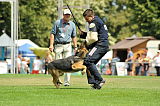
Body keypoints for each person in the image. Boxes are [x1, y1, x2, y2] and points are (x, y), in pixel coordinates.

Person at [80, 9, 109, 89]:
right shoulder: (98, 21)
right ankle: (95, 84)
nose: (87, 21)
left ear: (91, 16)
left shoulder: (94, 22)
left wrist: (85, 43)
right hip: (103, 45)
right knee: (90, 63)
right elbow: (95, 34)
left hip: (100, 45)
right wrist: (83, 34)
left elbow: (93, 38)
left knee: (88, 61)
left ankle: (100, 80)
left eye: (87, 19)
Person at [49, 9, 77, 86]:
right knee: (58, 64)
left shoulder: (72, 24)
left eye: (68, 15)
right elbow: (52, 34)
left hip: (68, 45)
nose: (67, 16)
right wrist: (51, 45)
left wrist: (75, 47)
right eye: (66, 15)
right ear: (63, 15)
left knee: (69, 64)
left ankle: (67, 82)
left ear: (70, 16)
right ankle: (58, 80)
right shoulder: (57, 23)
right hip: (58, 45)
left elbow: (74, 36)